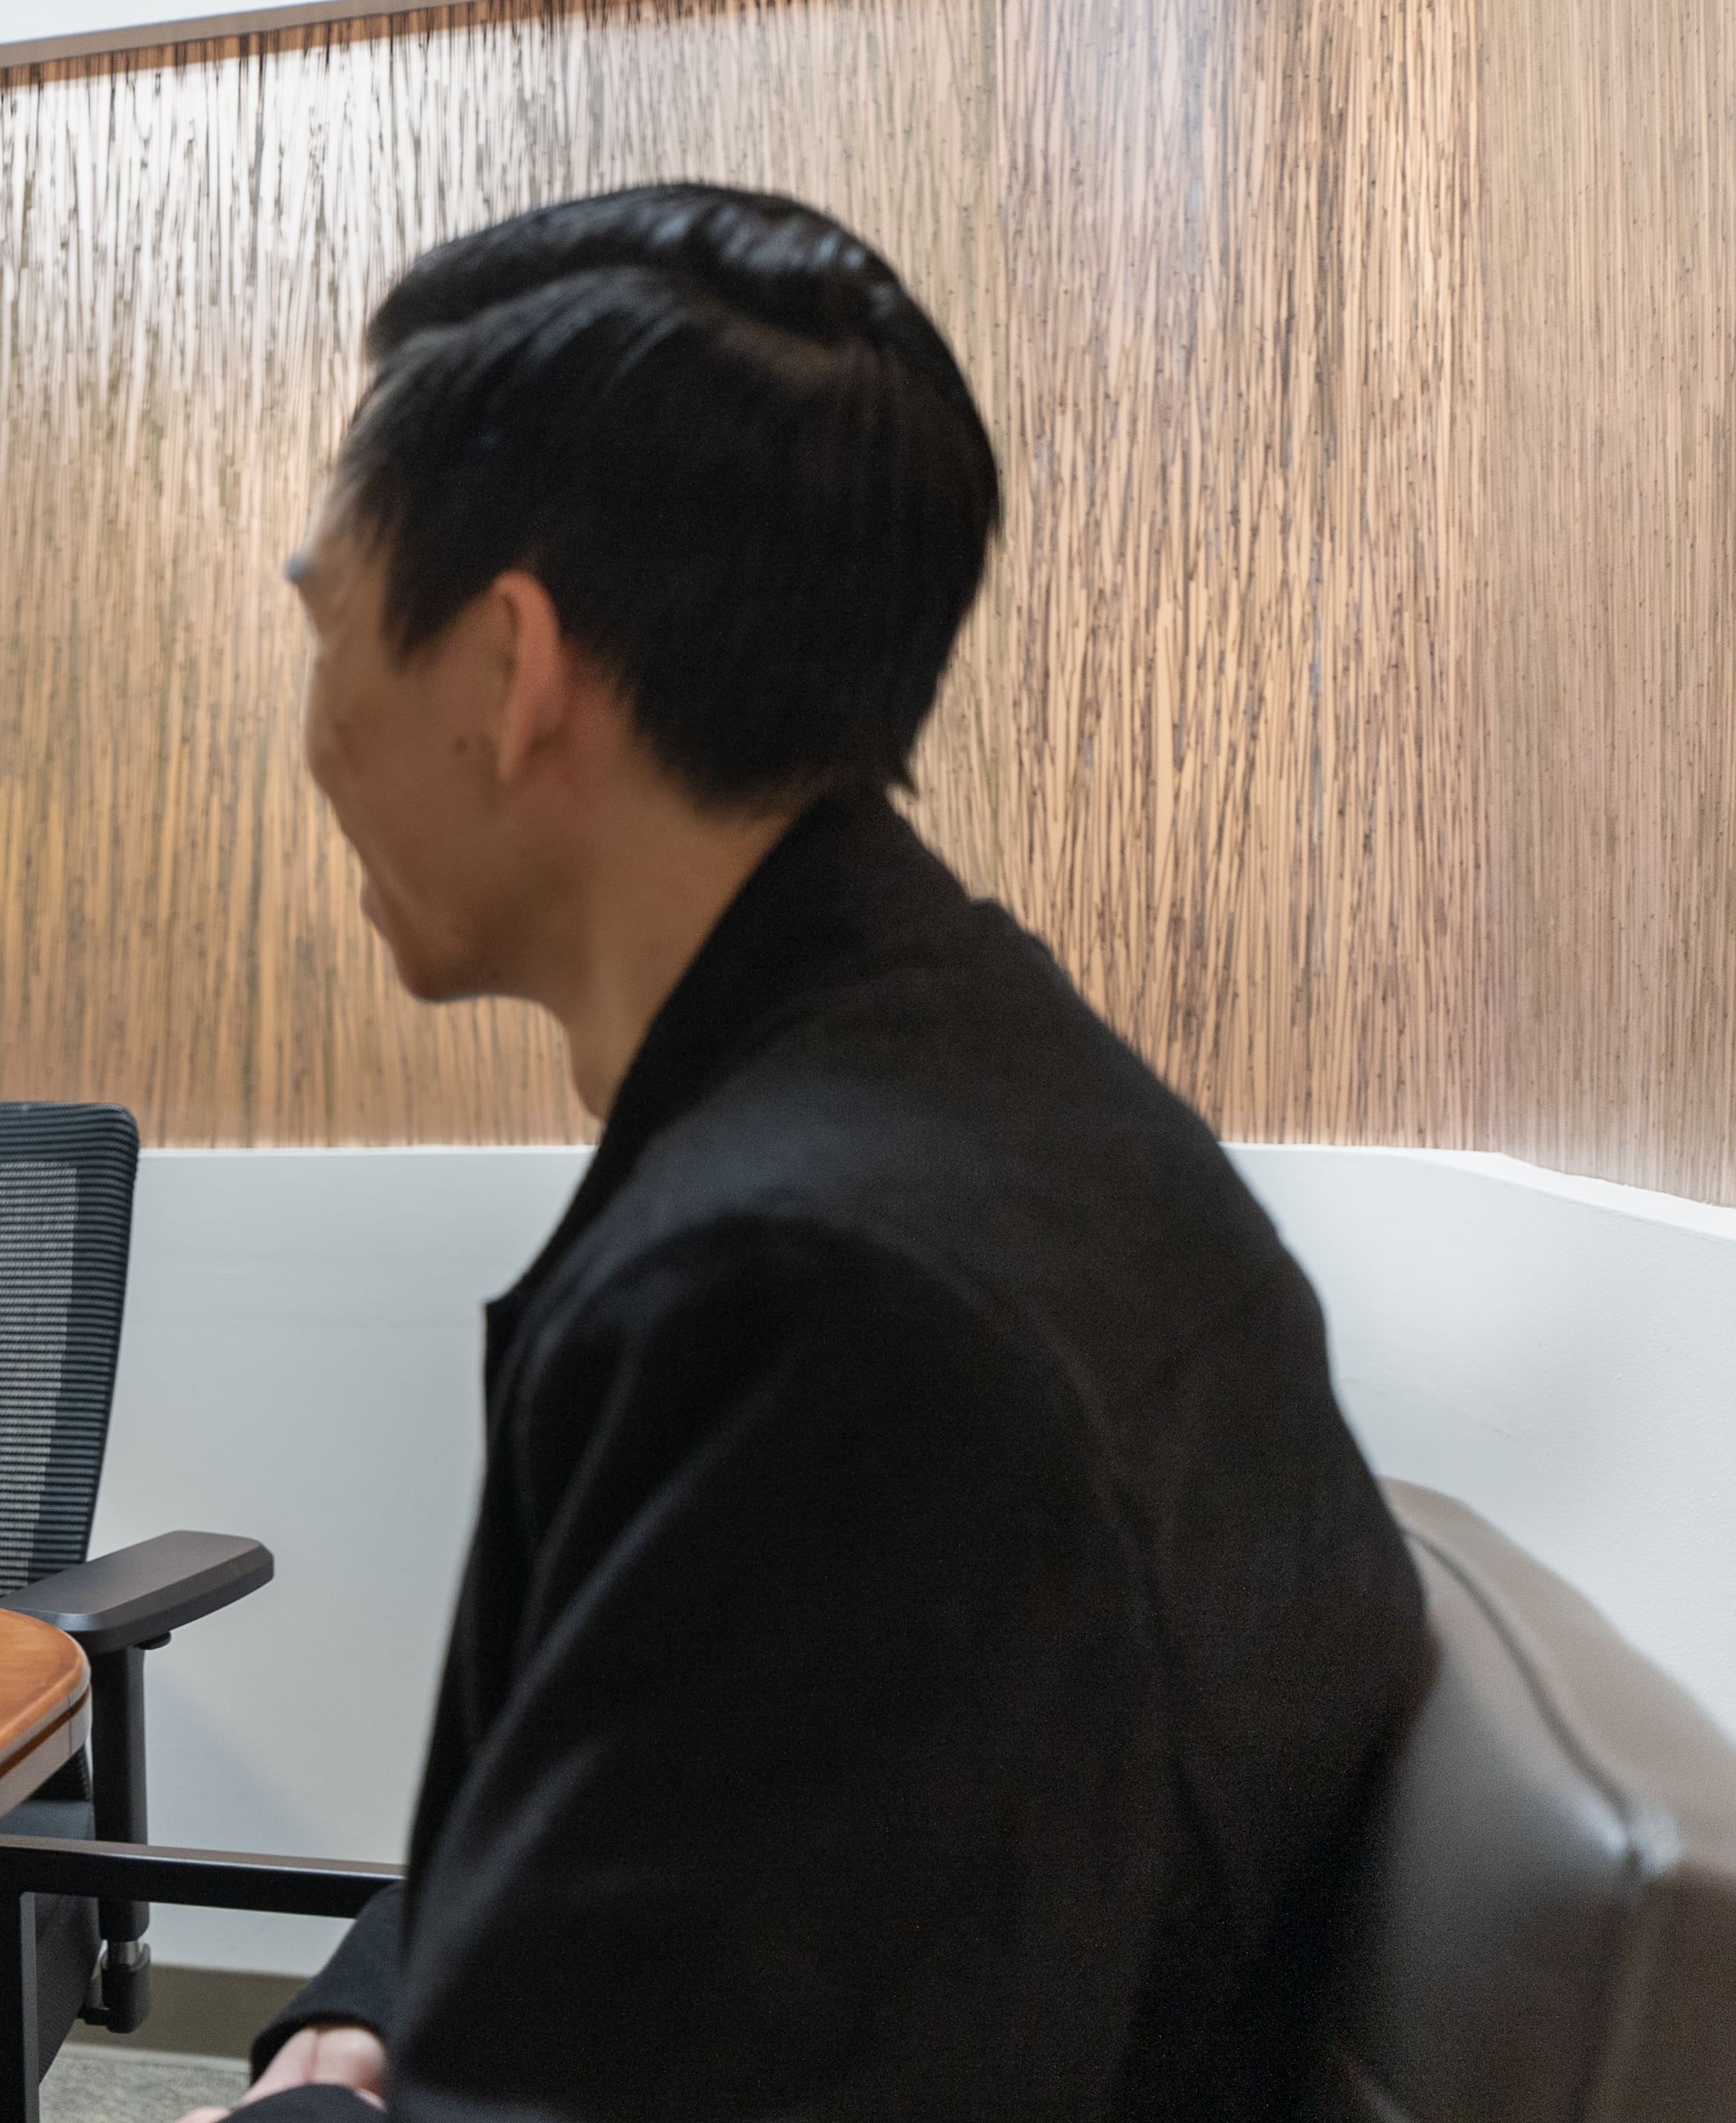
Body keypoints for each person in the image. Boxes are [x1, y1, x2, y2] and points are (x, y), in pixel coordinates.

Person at [190, 187, 1426, 2122]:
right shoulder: (966, 1097)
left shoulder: (822, 1307)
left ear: (510, 672)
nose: (318, 722)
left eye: (323, 617)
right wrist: (365, 2021)